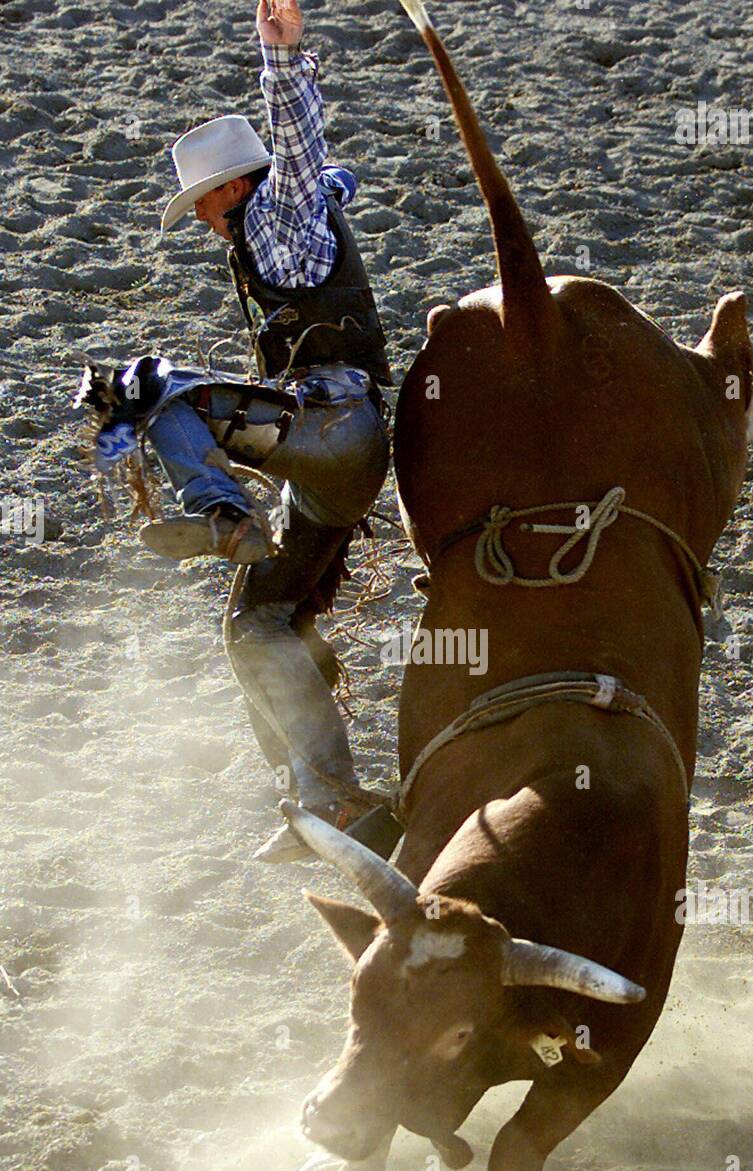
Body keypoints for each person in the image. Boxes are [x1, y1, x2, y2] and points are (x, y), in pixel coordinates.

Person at [144, 0, 397, 854]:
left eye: (206, 206)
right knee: (255, 622)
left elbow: (299, 153)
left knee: (155, 395)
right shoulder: (302, 215)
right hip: (335, 459)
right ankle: (328, 797)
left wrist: (281, 60)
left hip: (327, 422)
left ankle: (220, 512)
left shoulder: (278, 218)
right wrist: (334, 185)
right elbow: (333, 179)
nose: (208, 224)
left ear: (231, 186)